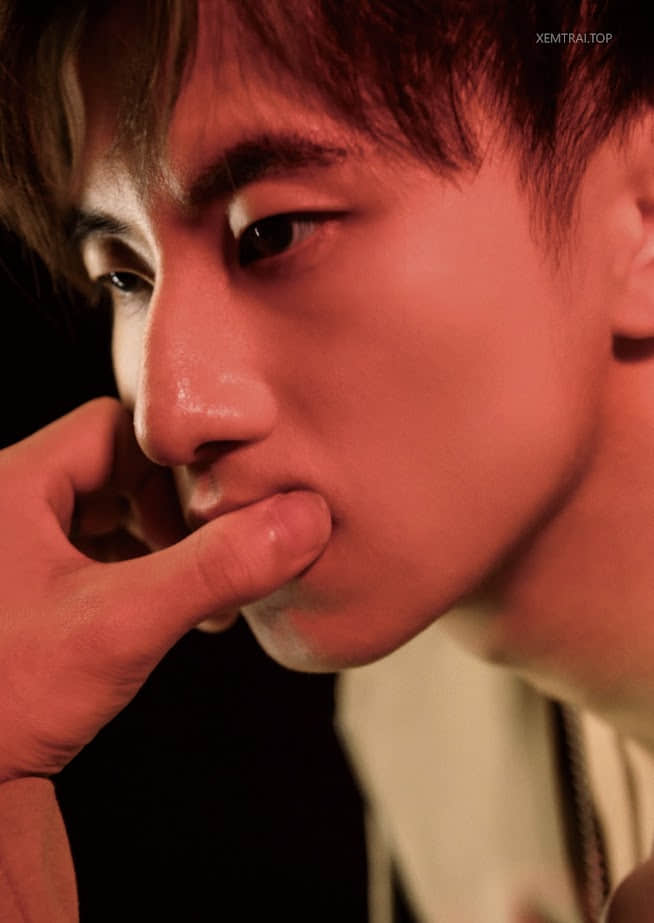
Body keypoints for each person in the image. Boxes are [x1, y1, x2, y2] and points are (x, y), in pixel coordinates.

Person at [0, 0, 653, 920]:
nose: (168, 418)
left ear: (643, 218)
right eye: (124, 274)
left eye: (273, 232)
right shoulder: (418, 722)